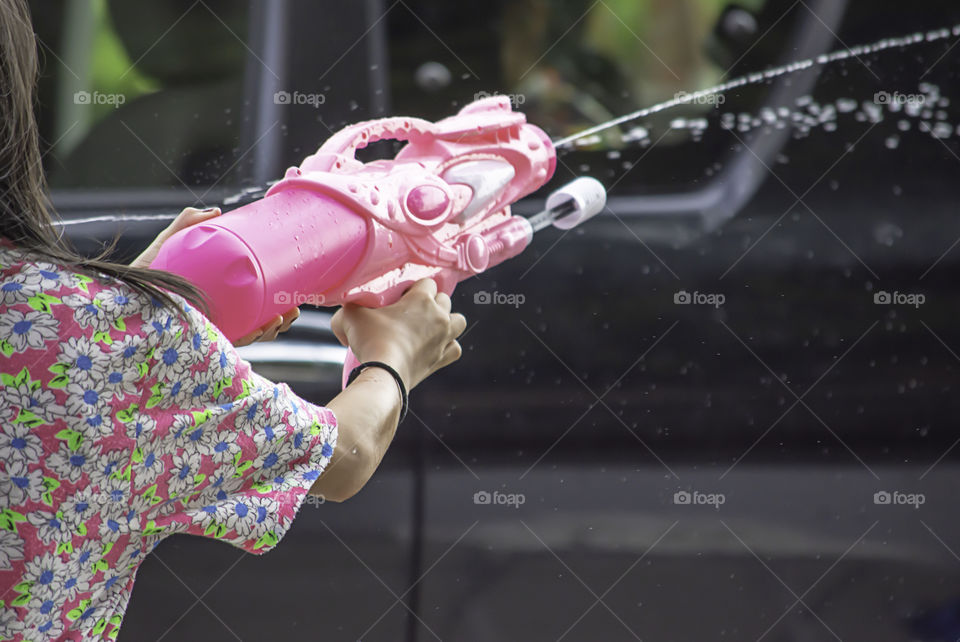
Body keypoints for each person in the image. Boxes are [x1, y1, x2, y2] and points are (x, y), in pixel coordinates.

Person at [0, 0, 466, 639]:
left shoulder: (102, 333)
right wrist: (397, 355)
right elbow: (344, 457)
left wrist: (141, 309)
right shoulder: (89, 332)